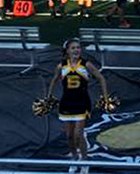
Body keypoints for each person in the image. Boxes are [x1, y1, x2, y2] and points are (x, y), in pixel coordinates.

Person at [46, 38, 110, 174]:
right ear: (67, 51)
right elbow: (54, 79)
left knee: (78, 134)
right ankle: (74, 158)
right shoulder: (61, 66)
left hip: (82, 102)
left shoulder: (86, 65)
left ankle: (85, 160)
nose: (76, 50)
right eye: (73, 48)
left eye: (78, 47)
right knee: (69, 136)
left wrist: (105, 97)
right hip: (66, 103)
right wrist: (49, 97)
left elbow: (101, 78)